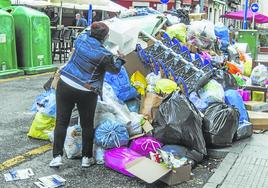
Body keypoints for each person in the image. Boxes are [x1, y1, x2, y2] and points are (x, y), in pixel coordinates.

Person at [49, 22, 126, 168]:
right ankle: (86, 158)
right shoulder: (105, 55)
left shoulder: (81, 39)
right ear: (105, 37)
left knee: (61, 121)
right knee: (87, 124)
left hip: (66, 83)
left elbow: (86, 32)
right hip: (87, 90)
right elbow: (114, 70)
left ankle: (57, 157)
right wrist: (120, 59)